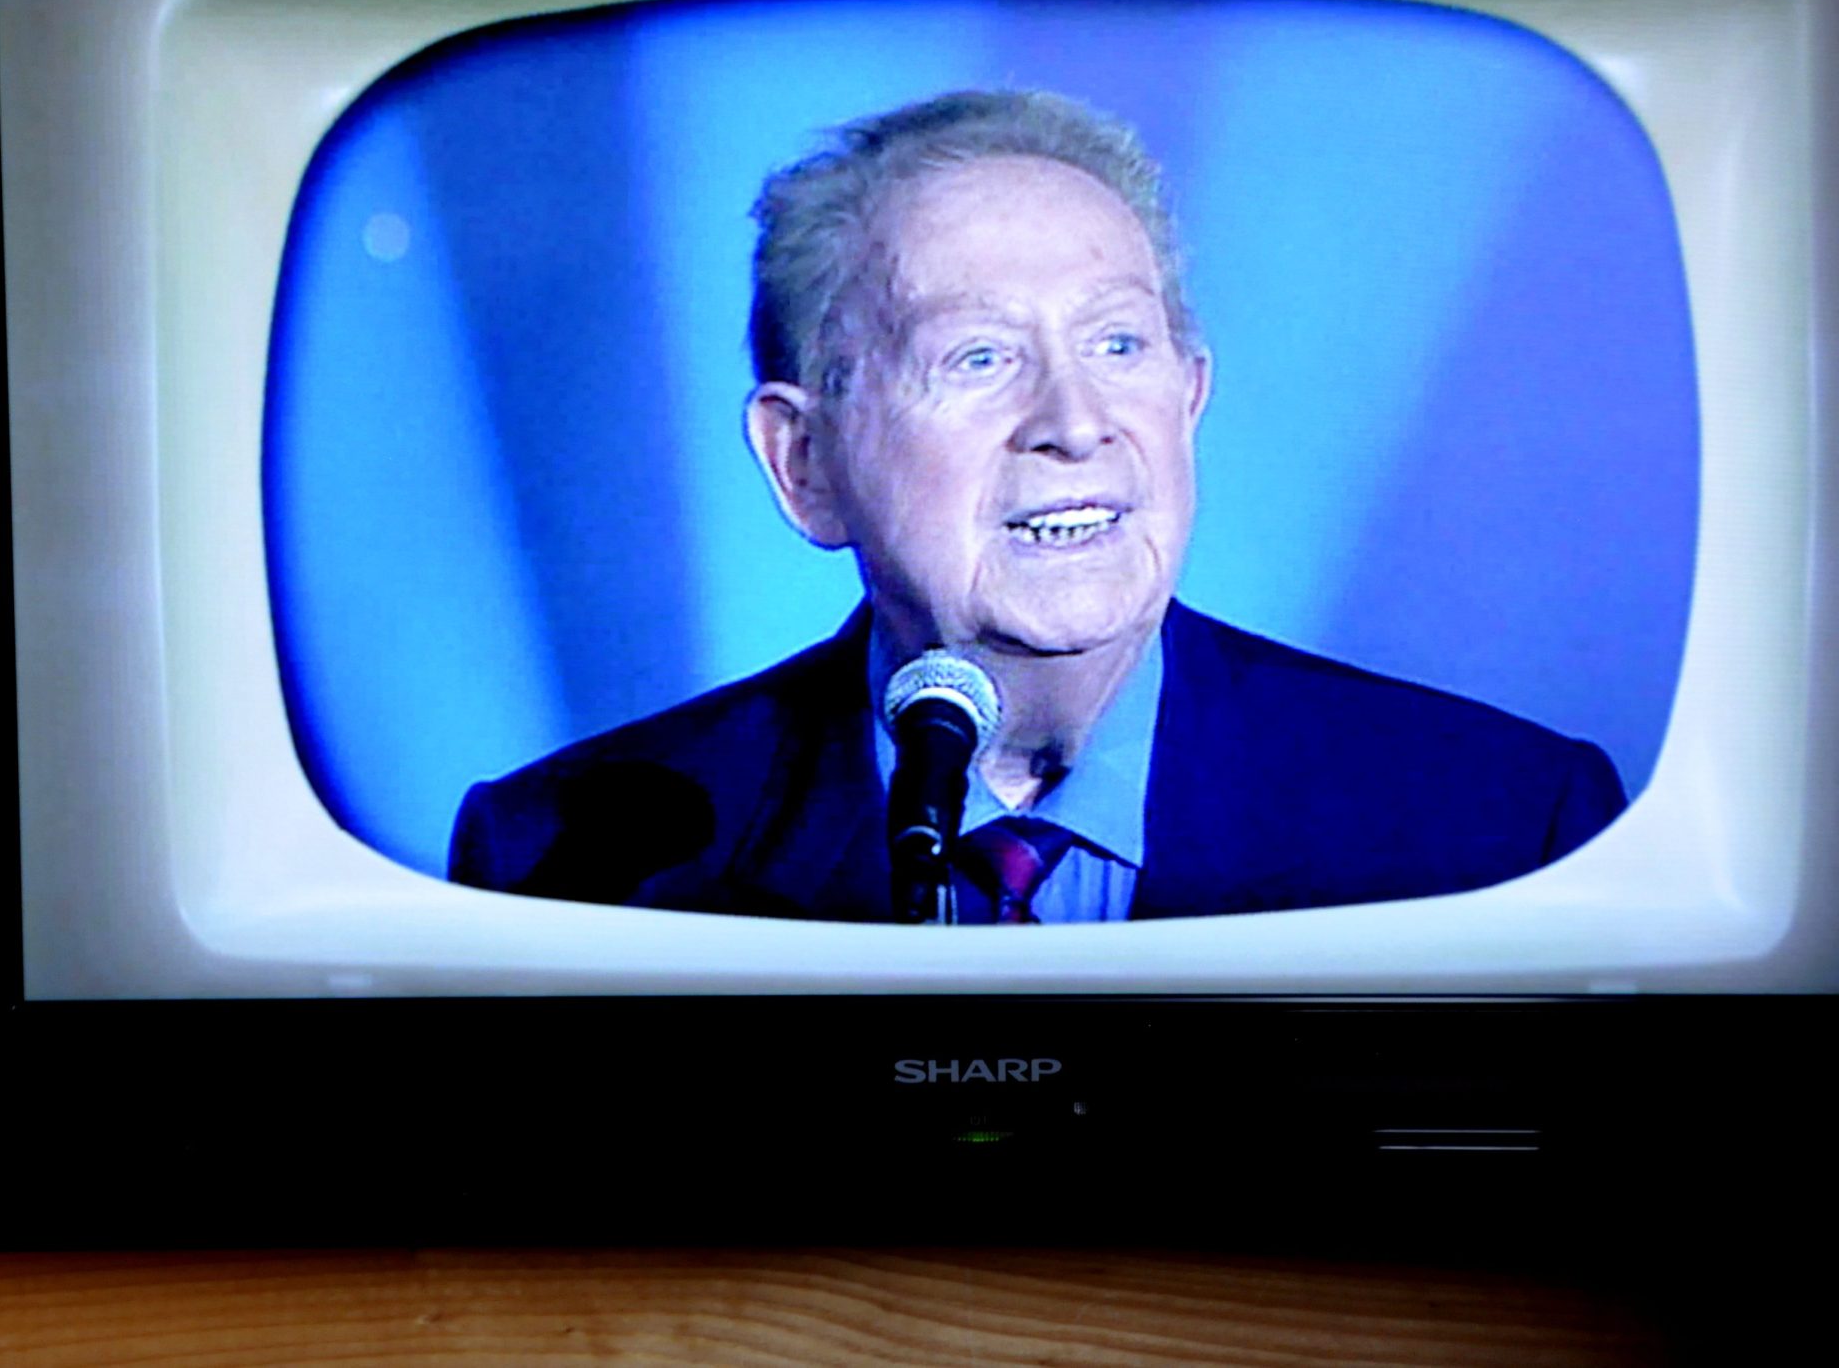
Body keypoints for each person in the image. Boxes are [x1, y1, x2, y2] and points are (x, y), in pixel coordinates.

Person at [450, 90, 1626, 923]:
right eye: (976, 357)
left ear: (1188, 394)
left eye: (1119, 342)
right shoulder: (561, 859)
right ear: (803, 461)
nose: (1074, 419)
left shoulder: (1500, 826)